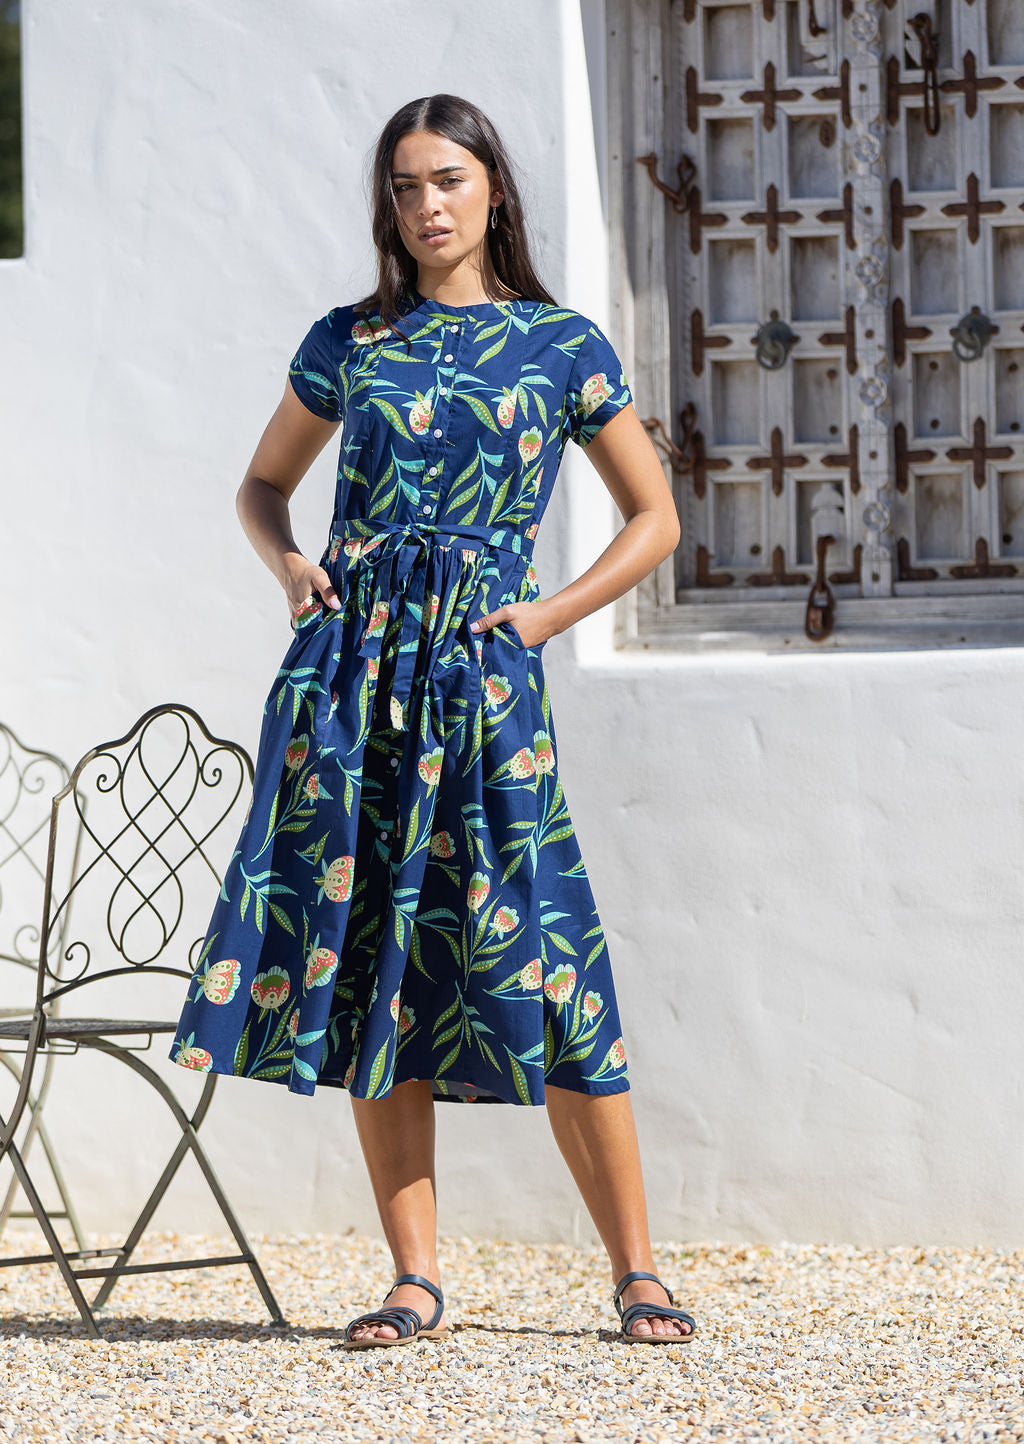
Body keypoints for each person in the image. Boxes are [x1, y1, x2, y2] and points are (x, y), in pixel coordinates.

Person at [168, 93, 695, 1349]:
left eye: (447, 180)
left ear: (493, 190)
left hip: (483, 674)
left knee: (551, 959)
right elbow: (259, 484)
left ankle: (637, 1271)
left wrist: (544, 616)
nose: (426, 206)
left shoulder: (558, 344)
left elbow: (655, 518)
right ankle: (414, 1278)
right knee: (376, 958)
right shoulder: (349, 339)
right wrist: (289, 566)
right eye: (404, 187)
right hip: (351, 682)